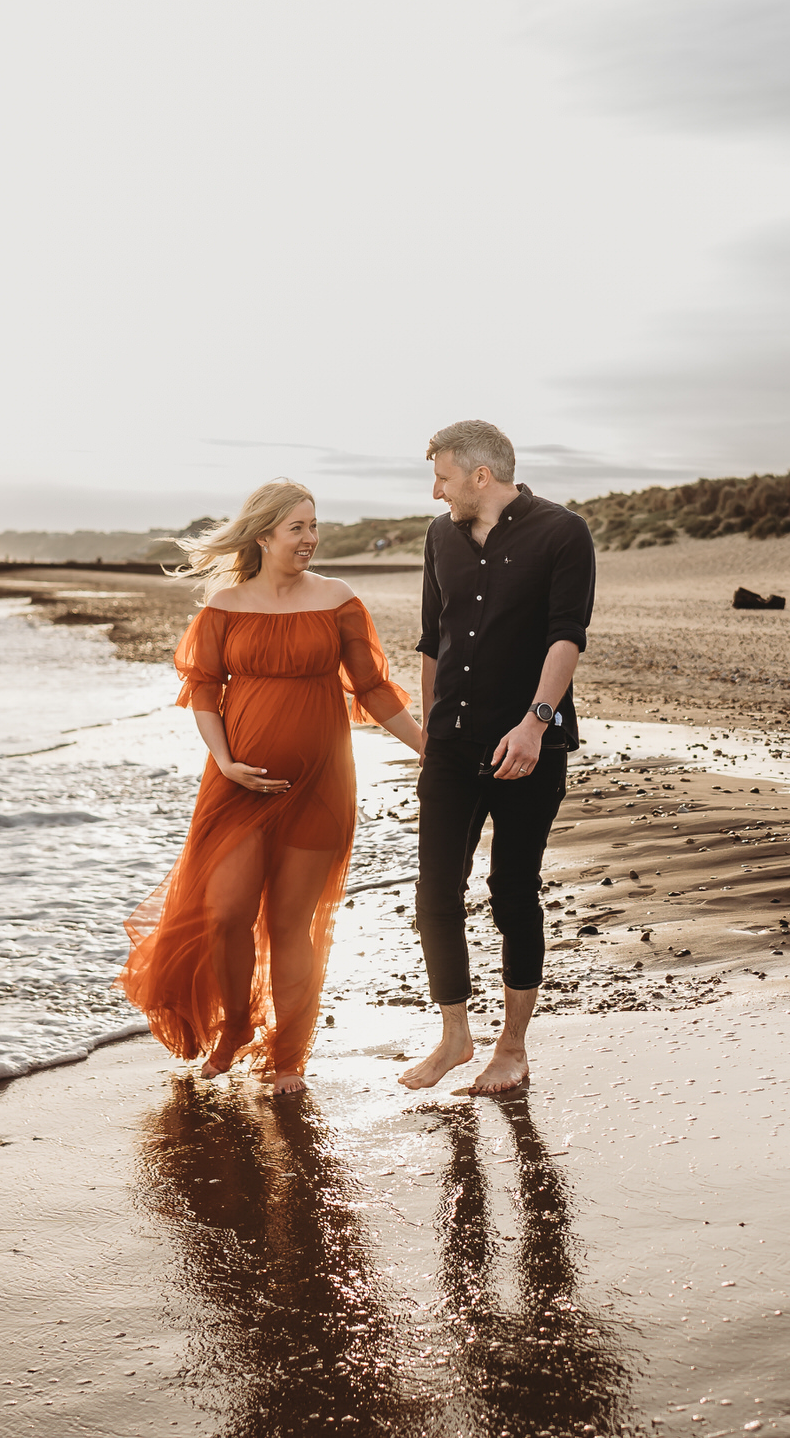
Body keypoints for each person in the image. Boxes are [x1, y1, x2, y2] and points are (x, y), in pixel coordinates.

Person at [119, 480, 427, 1092]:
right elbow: (203, 688)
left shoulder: (338, 600)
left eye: (315, 527)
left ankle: (288, 1058)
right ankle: (235, 1026)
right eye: (298, 529)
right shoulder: (224, 607)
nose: (311, 540)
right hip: (235, 785)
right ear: (264, 536)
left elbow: (370, 690)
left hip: (319, 784)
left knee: (291, 923)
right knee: (224, 913)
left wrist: (427, 750)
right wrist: (226, 760)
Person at [396, 421, 595, 1095]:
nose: (435, 492)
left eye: (444, 478)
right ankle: (455, 1036)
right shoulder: (439, 538)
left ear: (481, 476)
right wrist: (430, 736)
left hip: (528, 744)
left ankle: (512, 1048)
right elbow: (433, 640)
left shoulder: (563, 532)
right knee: (433, 893)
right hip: (452, 741)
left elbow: (567, 636)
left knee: (514, 889)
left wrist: (536, 723)